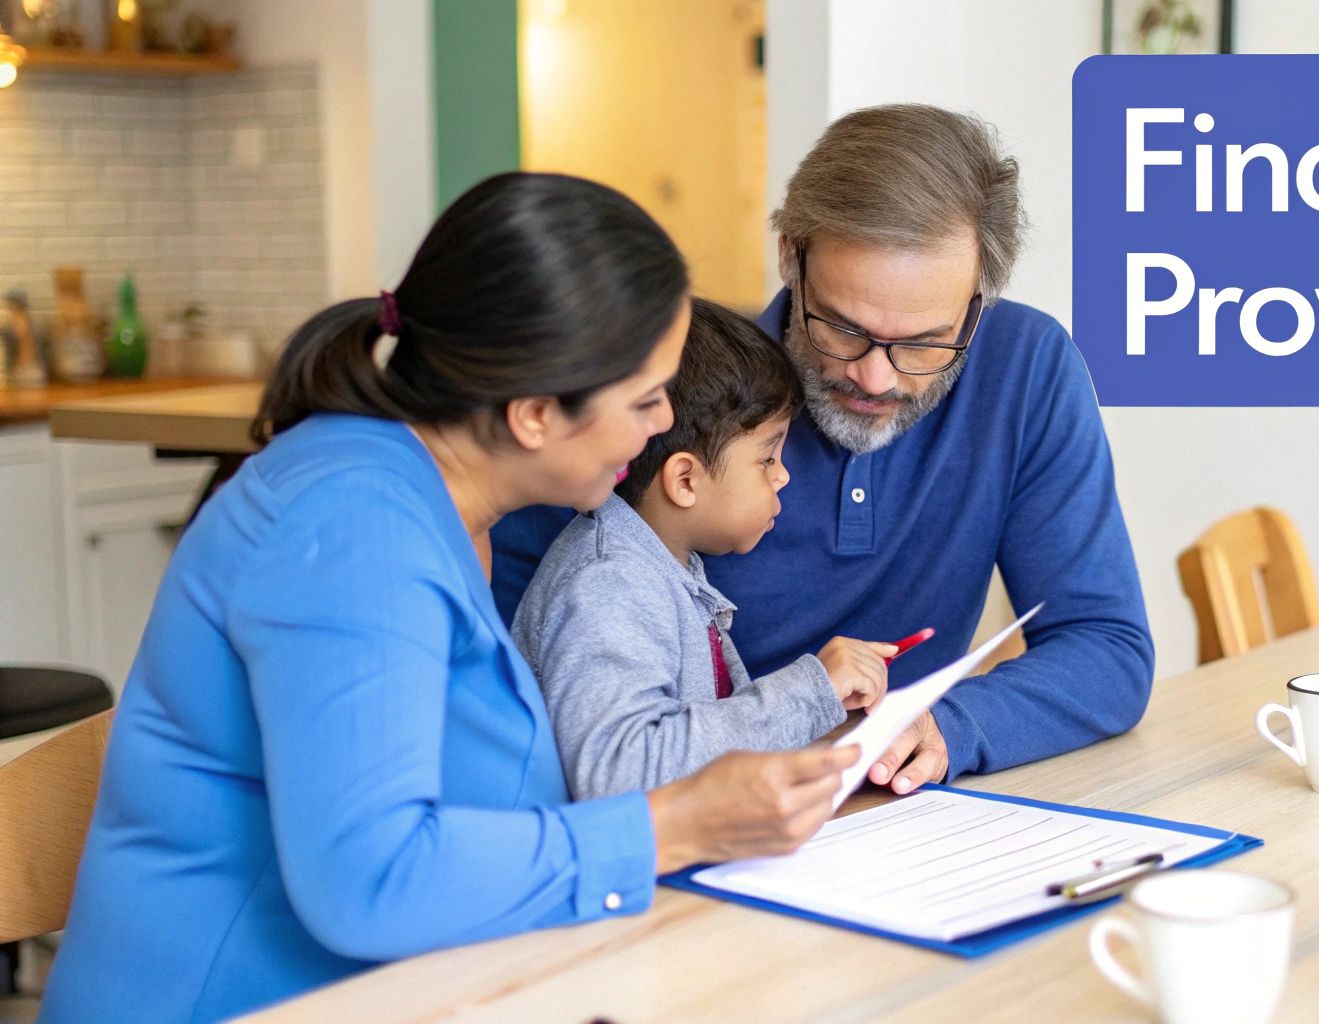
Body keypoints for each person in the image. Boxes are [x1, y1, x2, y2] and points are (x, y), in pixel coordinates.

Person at [40, 173, 856, 1024]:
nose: (661, 427)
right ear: (535, 412)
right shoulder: (356, 532)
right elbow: (370, 879)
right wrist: (673, 824)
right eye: (645, 399)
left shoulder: (429, 499)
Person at [491, 104, 1154, 798]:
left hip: (881, 817)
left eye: (926, 342)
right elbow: (520, 688)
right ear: (789, 255)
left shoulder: (1027, 368)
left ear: (978, 302)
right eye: (840, 327)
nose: (876, 377)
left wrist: (947, 726)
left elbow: (1107, 649)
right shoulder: (664, 403)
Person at [514, 298, 897, 799]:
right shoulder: (611, 583)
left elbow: (710, 741)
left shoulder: (666, 567)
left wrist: (830, 725)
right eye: (767, 458)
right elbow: (620, 775)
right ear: (686, 480)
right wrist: (809, 691)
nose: (783, 476)